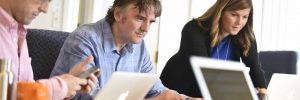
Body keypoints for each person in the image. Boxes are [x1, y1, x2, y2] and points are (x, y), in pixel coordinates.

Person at [50, 0, 203, 100]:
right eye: (140, 18)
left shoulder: (139, 46)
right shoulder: (84, 40)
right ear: (117, 14)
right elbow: (83, 96)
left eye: (151, 22)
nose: (146, 28)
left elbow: (156, 90)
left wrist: (186, 99)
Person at [160, 0, 267, 98]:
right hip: (180, 90)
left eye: (245, 17)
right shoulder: (194, 30)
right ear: (220, 12)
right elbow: (205, 74)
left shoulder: (245, 35)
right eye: (234, 15)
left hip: (214, 93)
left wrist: (263, 93)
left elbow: (254, 67)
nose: (239, 22)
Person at [0, 0, 100, 99]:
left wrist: (69, 87)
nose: (45, 9)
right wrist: (61, 87)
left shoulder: (17, 32)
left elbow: (25, 94)